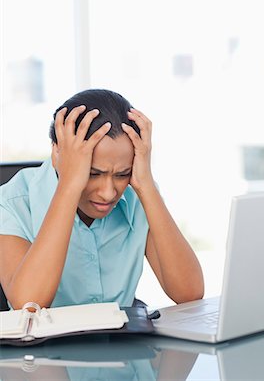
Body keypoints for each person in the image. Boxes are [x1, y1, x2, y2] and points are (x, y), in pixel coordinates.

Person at [0, 89, 204, 310]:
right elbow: (28, 304)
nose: (108, 193)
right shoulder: (13, 202)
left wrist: (146, 186)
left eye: (121, 174)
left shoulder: (138, 193)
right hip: (46, 345)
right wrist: (69, 186)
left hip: (123, 342)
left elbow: (189, 294)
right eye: (93, 174)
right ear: (57, 154)